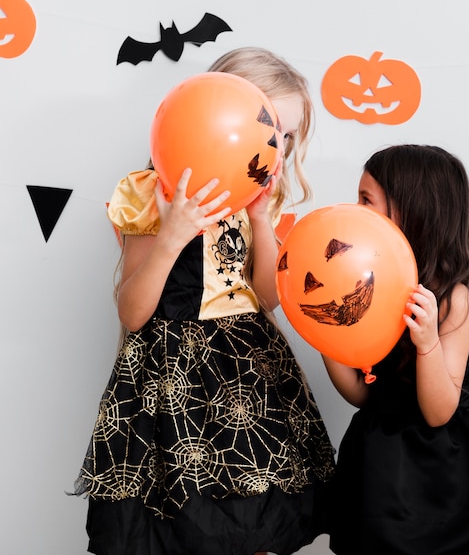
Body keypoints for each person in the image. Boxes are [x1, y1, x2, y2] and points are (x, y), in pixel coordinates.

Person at [73, 47, 336, 555]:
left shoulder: (259, 197)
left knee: (254, 526)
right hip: (175, 381)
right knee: (182, 529)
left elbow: (266, 298)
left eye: (287, 135)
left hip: (249, 376)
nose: (277, 146)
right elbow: (131, 312)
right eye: (270, 127)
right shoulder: (154, 192)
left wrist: (261, 221)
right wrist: (172, 234)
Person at [323, 144, 469, 554]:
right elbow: (362, 394)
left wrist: (427, 344)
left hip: (448, 465)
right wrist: (328, 338)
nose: (354, 210)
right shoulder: (368, 290)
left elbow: (439, 410)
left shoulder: (451, 299)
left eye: (366, 200)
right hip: (384, 461)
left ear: (412, 211)